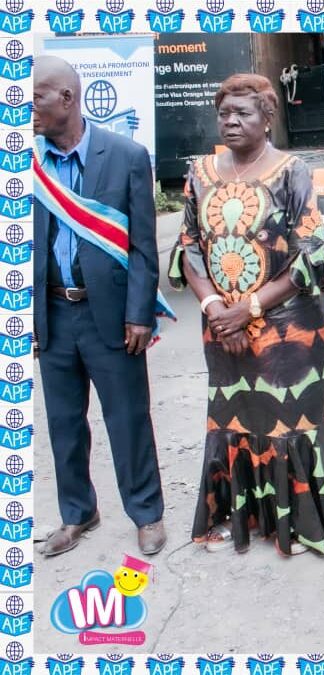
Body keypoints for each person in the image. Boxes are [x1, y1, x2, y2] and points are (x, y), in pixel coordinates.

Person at [168, 73, 324, 556]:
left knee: (288, 422)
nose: (231, 121)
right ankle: (242, 517)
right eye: (224, 113)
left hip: (287, 330)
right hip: (221, 329)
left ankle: (300, 525)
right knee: (234, 421)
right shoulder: (200, 172)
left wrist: (246, 310)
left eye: (243, 113)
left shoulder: (292, 171)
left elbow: (310, 254)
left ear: (267, 119)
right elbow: (189, 247)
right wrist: (216, 310)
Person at [32, 55, 169, 557]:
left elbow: (143, 246)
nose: (25, 111)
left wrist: (140, 313)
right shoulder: (25, 164)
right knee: (64, 423)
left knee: (128, 418)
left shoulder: (126, 155)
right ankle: (78, 513)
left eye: (34, 99)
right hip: (52, 313)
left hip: (109, 314)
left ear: (67, 98)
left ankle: (146, 512)